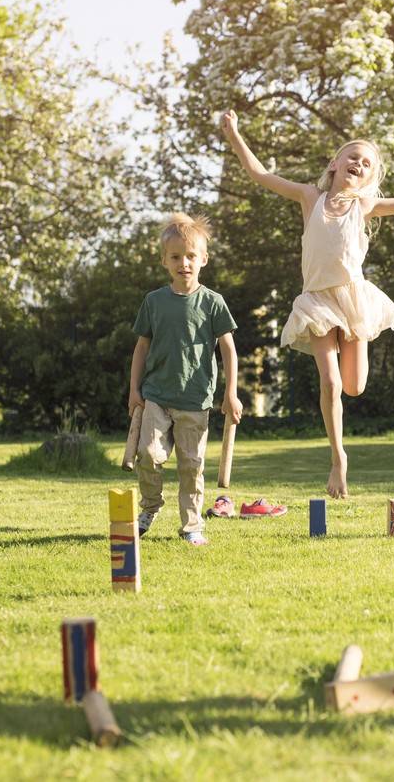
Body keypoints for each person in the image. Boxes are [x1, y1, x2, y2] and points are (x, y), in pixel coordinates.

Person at [221, 109, 394, 498]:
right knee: (330, 382)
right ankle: (338, 457)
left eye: (367, 163)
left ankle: (347, 381)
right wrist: (233, 134)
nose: (358, 163)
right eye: (353, 157)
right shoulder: (310, 197)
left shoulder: (363, 206)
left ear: (369, 178)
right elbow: (260, 175)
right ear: (334, 164)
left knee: (354, 387)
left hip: (354, 299)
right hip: (317, 301)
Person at [128, 213, 275, 547]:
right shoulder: (153, 302)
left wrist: (231, 394)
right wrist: (134, 390)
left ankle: (192, 525)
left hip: (195, 399)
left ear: (203, 259)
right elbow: (141, 348)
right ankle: (149, 508)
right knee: (148, 455)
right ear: (164, 260)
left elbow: (229, 350)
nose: (184, 263)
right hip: (155, 395)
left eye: (191, 256)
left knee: (191, 466)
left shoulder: (213, 303)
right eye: (176, 257)